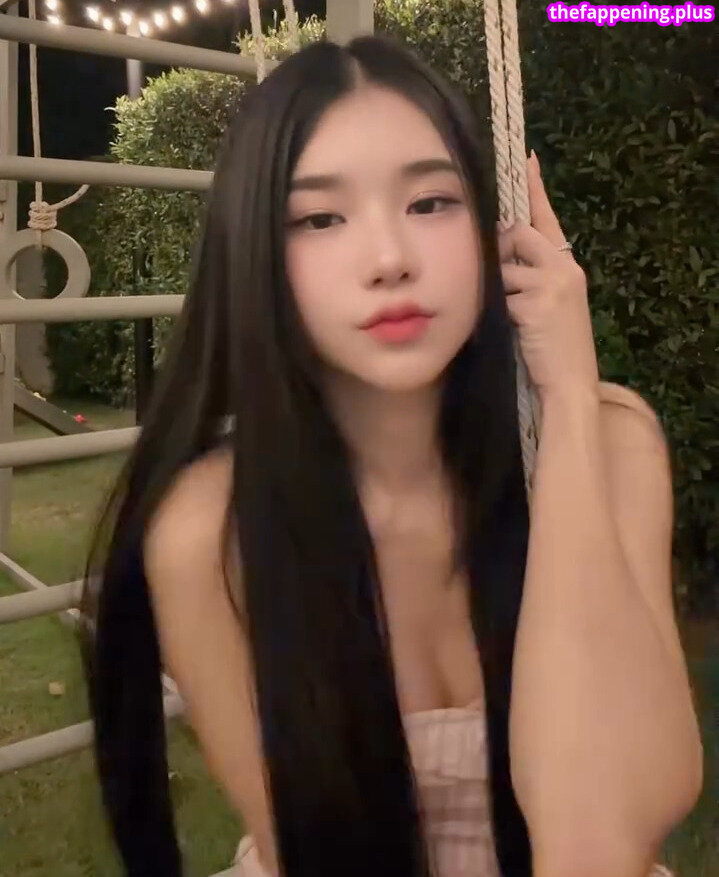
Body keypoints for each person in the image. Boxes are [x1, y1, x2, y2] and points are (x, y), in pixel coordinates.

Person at [79, 34, 701, 877]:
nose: (389, 260)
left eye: (430, 203)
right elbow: (308, 845)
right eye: (319, 218)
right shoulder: (210, 533)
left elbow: (598, 845)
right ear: (255, 251)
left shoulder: (607, 446)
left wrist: (566, 405)